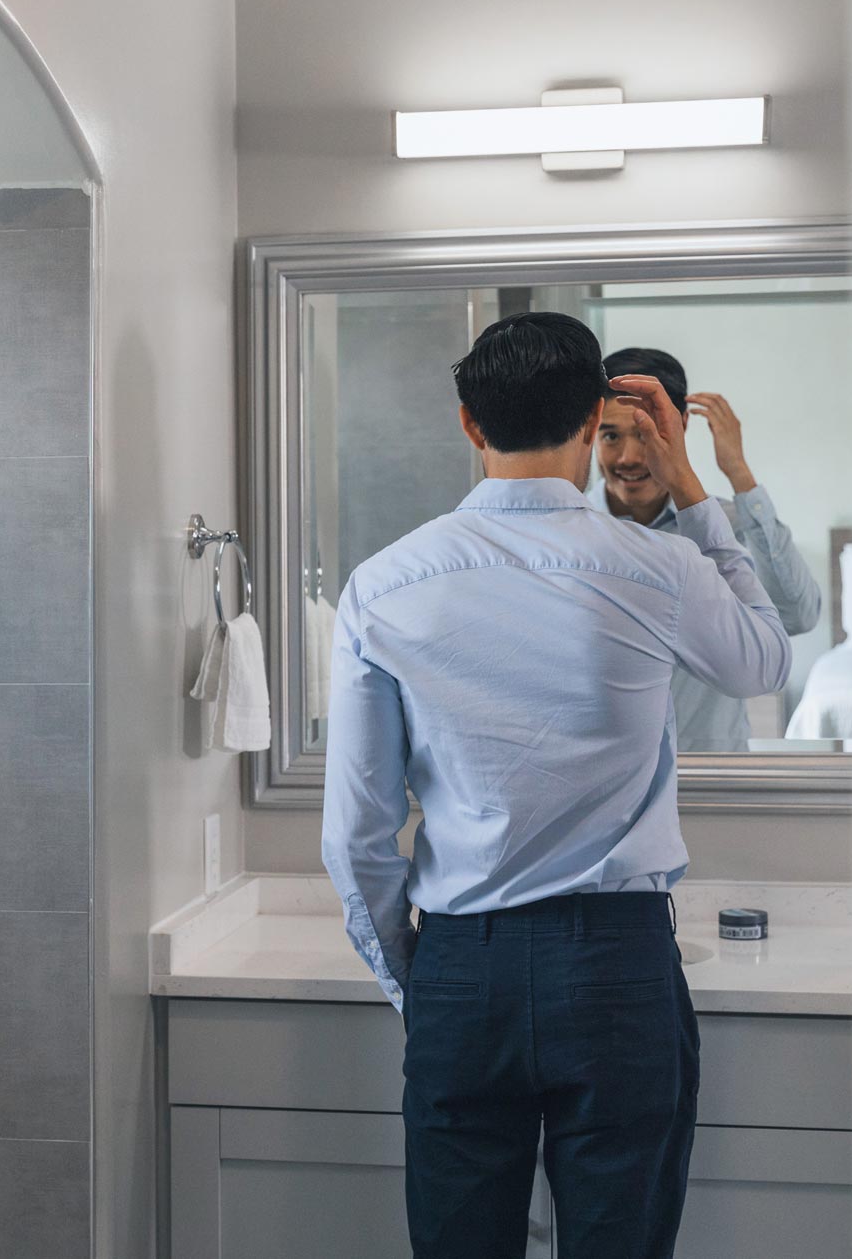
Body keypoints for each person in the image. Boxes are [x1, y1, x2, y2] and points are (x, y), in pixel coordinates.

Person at [321, 312, 789, 1258]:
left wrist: (427, 981)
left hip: (461, 965)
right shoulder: (661, 566)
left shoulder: (384, 583)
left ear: (469, 423)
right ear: (594, 422)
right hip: (616, 971)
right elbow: (767, 660)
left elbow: (359, 836)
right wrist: (692, 482)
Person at [589, 347, 821, 750]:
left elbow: (795, 616)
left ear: (678, 425)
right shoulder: (572, 530)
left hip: (713, 774)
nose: (628, 457)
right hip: (611, 785)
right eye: (611, 436)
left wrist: (739, 474)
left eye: (645, 434)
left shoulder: (728, 526)